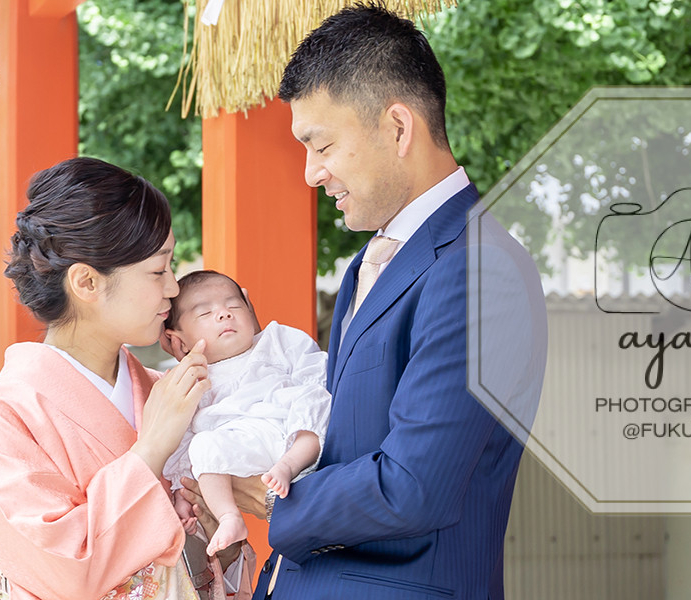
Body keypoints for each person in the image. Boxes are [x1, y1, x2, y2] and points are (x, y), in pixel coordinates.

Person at [173, 5, 548, 599]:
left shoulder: (481, 268)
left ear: (398, 128)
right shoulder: (370, 263)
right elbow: (344, 437)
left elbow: (415, 484)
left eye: (320, 145)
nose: (309, 173)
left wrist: (270, 496)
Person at [0, 157, 255, 600]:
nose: (174, 288)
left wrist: (222, 550)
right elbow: (63, 570)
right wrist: (151, 450)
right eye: (158, 270)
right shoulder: (3, 415)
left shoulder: (165, 392)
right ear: (87, 282)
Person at [156, 270, 330, 555]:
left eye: (233, 305)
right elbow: (182, 437)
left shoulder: (278, 339)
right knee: (202, 444)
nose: (224, 314)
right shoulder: (193, 377)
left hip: (292, 430)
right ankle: (229, 517)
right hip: (241, 447)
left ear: (249, 307)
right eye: (205, 313)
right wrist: (180, 490)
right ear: (180, 340)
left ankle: (290, 465)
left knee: (313, 397)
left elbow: (314, 371)